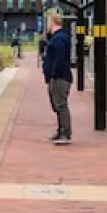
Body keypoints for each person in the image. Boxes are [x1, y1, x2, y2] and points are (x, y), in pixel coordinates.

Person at [41, 9, 73, 144]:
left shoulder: (58, 39)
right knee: (58, 105)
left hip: (59, 77)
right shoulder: (58, 37)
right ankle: (61, 130)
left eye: (48, 22)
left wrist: (52, 73)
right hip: (58, 76)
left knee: (60, 105)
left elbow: (58, 58)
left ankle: (65, 132)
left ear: (52, 22)